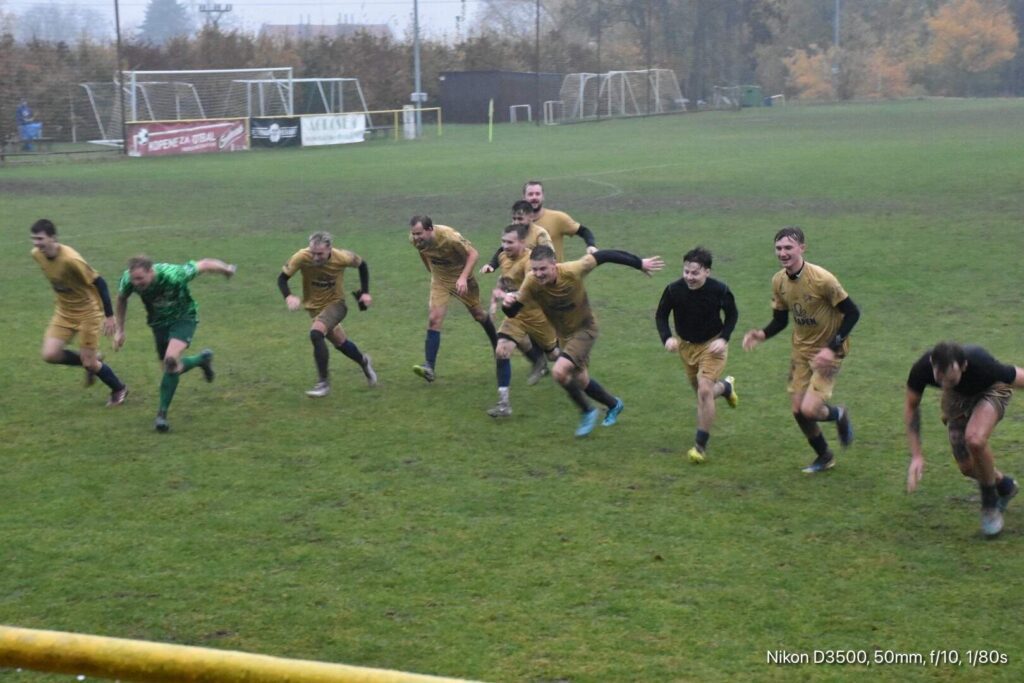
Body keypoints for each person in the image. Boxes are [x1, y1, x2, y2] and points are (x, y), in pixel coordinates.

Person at [503, 245, 664, 436]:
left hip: (585, 329)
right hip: (564, 335)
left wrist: (639, 263)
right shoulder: (531, 281)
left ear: (554, 263)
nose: (538, 274)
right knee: (580, 379)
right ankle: (613, 404)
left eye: (543, 268)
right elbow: (513, 311)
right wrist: (507, 304)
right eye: (535, 269)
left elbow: (605, 255)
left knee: (559, 371)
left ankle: (587, 411)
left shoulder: (573, 270)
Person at [742, 226, 860, 473]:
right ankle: (824, 456)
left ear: (802, 248)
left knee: (809, 409)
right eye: (778, 248)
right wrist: (762, 334)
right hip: (801, 352)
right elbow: (780, 320)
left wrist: (831, 348)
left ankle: (839, 414)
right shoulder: (779, 281)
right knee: (798, 410)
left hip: (829, 353)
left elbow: (852, 313)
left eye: (788, 247)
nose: (783, 253)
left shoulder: (822, 279)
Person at [905, 342, 1022, 537]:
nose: (944, 385)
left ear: (964, 366)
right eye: (940, 380)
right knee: (967, 467)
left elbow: (1017, 376)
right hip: (957, 400)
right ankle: (1004, 486)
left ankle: (989, 504)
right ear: (932, 364)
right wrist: (916, 455)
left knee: (974, 439)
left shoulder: (982, 363)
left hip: (992, 390)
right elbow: (911, 406)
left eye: (950, 379)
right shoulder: (922, 368)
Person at [115, 255, 236, 432]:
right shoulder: (128, 280)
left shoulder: (173, 274)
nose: (136, 283)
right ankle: (201, 360)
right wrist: (120, 330)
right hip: (158, 324)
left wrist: (226, 269)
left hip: (183, 318)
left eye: (140, 278)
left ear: (151, 271)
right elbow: (121, 299)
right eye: (134, 279)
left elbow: (203, 264)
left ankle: (161, 415)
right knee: (170, 369)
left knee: (170, 360)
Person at [30, 219, 128, 407]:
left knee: (90, 364)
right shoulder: (36, 255)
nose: (36, 243)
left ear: (53, 238)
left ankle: (119, 388)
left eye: (40, 238)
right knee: (50, 354)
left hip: (88, 313)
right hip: (64, 311)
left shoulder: (71, 260)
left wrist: (109, 316)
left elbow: (100, 283)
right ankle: (91, 358)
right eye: (34, 239)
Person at [655, 247, 739, 463]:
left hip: (712, 346)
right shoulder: (674, 290)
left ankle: (699, 447)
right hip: (686, 347)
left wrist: (724, 339)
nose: (689, 277)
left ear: (707, 272)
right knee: (703, 393)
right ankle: (726, 387)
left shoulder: (719, 290)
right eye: (686, 272)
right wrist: (667, 338)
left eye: (695, 273)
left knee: (704, 391)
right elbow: (661, 315)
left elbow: (732, 315)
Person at [278, 231, 377, 398]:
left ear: (329, 249)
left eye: (320, 254)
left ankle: (323, 383)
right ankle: (364, 361)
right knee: (341, 343)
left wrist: (365, 292)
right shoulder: (301, 257)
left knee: (316, 334)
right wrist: (288, 296)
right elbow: (282, 279)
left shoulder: (342, 257)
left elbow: (362, 265)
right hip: (315, 308)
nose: (315, 257)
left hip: (336, 305)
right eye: (313, 253)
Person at [409, 215, 498, 382]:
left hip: (461, 279)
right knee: (434, 319)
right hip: (440, 280)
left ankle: (497, 344)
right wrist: (431, 270)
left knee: (479, 315)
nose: (416, 237)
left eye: (419, 233)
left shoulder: (449, 237)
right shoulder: (415, 240)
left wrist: (463, 278)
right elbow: (422, 251)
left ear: (430, 229)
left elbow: (473, 254)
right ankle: (429, 367)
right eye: (414, 234)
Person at [485, 224, 559, 417]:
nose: (505, 246)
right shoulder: (503, 257)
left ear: (522, 242)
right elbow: (504, 280)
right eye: (503, 241)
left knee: (554, 355)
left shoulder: (529, 262)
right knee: (501, 351)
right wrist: (494, 302)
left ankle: (575, 369)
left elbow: (530, 289)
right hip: (516, 315)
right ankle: (504, 404)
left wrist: (505, 295)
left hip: (537, 315)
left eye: (510, 242)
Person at [523, 180, 598, 261]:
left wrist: (591, 245)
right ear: (524, 197)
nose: (534, 197)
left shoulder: (558, 218)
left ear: (543, 196)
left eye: (537, 194)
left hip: (555, 269)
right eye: (530, 194)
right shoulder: (518, 223)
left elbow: (584, 231)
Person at [479, 200, 552, 275]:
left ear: (531, 217)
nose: (516, 222)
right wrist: (491, 265)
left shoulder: (540, 234)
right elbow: (503, 249)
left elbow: (549, 255)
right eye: (514, 219)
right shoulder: (513, 231)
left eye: (520, 219)